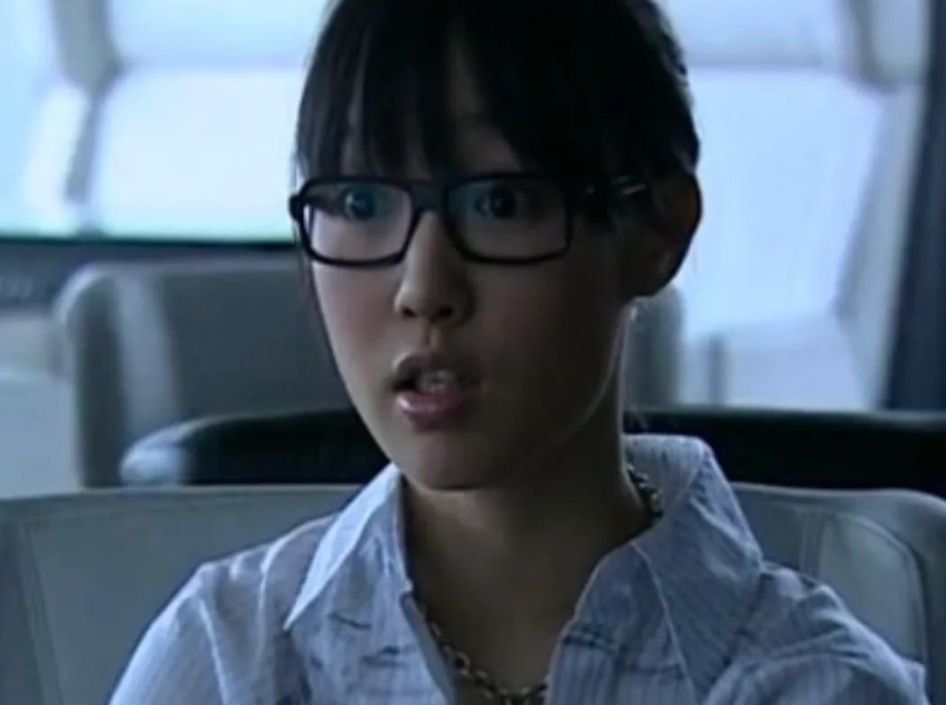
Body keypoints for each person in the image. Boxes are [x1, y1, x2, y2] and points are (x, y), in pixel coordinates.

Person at [109, 0, 929, 703]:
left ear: (658, 230)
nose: (423, 286)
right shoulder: (229, 657)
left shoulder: (808, 683)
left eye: (500, 202)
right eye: (359, 201)